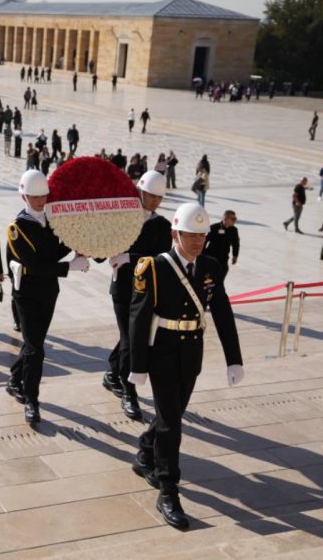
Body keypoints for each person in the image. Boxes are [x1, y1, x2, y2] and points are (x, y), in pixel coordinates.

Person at [129, 202, 244, 530]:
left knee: (172, 415)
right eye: (190, 235)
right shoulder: (154, 267)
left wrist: (234, 359)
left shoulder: (210, 267)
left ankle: (145, 451)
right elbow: (138, 319)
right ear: (174, 234)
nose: (197, 241)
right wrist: (137, 365)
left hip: (192, 352)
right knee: (171, 425)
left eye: (202, 235)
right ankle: (168, 489)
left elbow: (221, 310)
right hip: (162, 352)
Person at [6, 170, 90, 423]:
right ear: (24, 196)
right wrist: (69, 267)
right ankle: (32, 400)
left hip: (48, 292)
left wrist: (79, 241)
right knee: (35, 349)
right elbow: (35, 265)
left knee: (35, 344)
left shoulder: (50, 222)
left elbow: (54, 251)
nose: (40, 200)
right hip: (27, 295)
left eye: (43, 195)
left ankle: (14, 378)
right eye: (34, 195)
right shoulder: (17, 229)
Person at [103, 171, 172, 421]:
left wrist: (128, 257)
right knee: (131, 339)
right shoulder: (122, 219)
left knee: (131, 336)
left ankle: (113, 374)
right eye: (149, 195)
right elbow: (103, 250)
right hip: (122, 288)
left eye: (158, 197)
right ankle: (128, 392)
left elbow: (160, 258)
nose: (153, 201)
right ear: (139, 192)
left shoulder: (162, 226)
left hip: (144, 292)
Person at [203, 210, 240, 283]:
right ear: (225, 218)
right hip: (211, 258)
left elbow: (235, 244)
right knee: (208, 281)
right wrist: (201, 255)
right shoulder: (214, 228)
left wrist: (235, 255)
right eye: (233, 219)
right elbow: (204, 241)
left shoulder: (234, 230)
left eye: (235, 219)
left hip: (223, 260)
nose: (234, 221)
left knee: (220, 281)